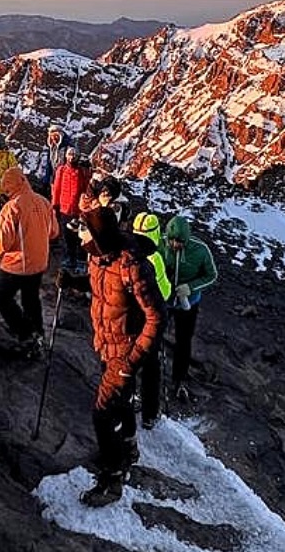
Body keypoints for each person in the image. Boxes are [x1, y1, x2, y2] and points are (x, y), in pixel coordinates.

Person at [59, 206, 165, 507]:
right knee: (120, 404)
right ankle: (129, 448)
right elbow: (100, 289)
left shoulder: (131, 266)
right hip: (107, 345)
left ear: (99, 237)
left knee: (102, 414)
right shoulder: (98, 258)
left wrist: (132, 361)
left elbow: (157, 317)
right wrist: (74, 282)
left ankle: (112, 479)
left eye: (85, 233)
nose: (81, 239)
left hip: (126, 351)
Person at [0, 166, 58, 356]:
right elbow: (54, 232)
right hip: (39, 261)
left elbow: (4, 241)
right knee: (31, 298)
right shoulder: (43, 202)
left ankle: (25, 334)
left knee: (1, 297)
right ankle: (38, 333)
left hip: (17, 263)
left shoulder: (11, 208)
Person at [162, 214, 218, 403]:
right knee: (154, 334)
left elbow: (211, 275)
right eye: (173, 241)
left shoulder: (200, 250)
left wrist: (191, 287)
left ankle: (179, 379)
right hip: (165, 299)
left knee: (183, 341)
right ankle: (151, 371)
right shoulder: (161, 245)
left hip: (188, 302)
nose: (176, 245)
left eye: (180, 242)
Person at [130, 212, 174, 429]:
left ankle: (127, 403)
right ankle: (149, 414)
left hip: (127, 318)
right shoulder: (154, 258)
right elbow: (165, 291)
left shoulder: (125, 253)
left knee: (126, 364)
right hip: (148, 320)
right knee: (151, 368)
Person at [51, 147, 90, 267]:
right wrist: (55, 205)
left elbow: (87, 188)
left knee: (79, 235)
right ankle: (69, 258)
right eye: (70, 155)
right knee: (67, 236)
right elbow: (56, 188)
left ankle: (79, 260)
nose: (72, 157)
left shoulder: (83, 171)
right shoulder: (61, 170)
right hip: (64, 208)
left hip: (78, 209)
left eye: (74, 155)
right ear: (66, 156)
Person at [41, 125, 69, 192]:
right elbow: (49, 166)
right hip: (54, 179)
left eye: (55, 136)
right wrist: (46, 181)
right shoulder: (52, 148)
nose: (53, 138)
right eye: (51, 136)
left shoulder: (67, 147)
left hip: (64, 180)